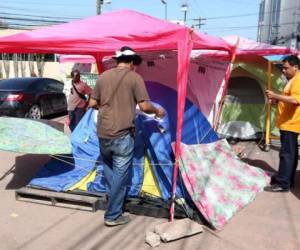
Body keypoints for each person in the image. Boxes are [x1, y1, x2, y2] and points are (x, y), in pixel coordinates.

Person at [89, 46, 165, 226]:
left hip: (103, 133)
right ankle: (113, 215)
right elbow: (145, 107)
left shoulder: (103, 77)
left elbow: (92, 103)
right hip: (122, 134)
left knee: (110, 173)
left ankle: (113, 202)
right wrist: (158, 111)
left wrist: (108, 110)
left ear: (118, 60)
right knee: (121, 177)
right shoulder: (135, 77)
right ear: (132, 62)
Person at [265, 55, 300, 192]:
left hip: (291, 123)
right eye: (283, 68)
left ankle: (283, 183)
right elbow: (289, 100)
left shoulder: (297, 80)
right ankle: (286, 179)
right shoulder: (292, 80)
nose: (283, 71)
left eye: (286, 68)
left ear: (295, 67)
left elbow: (295, 100)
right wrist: (277, 101)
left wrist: (275, 96)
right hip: (287, 122)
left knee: (287, 154)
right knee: (290, 153)